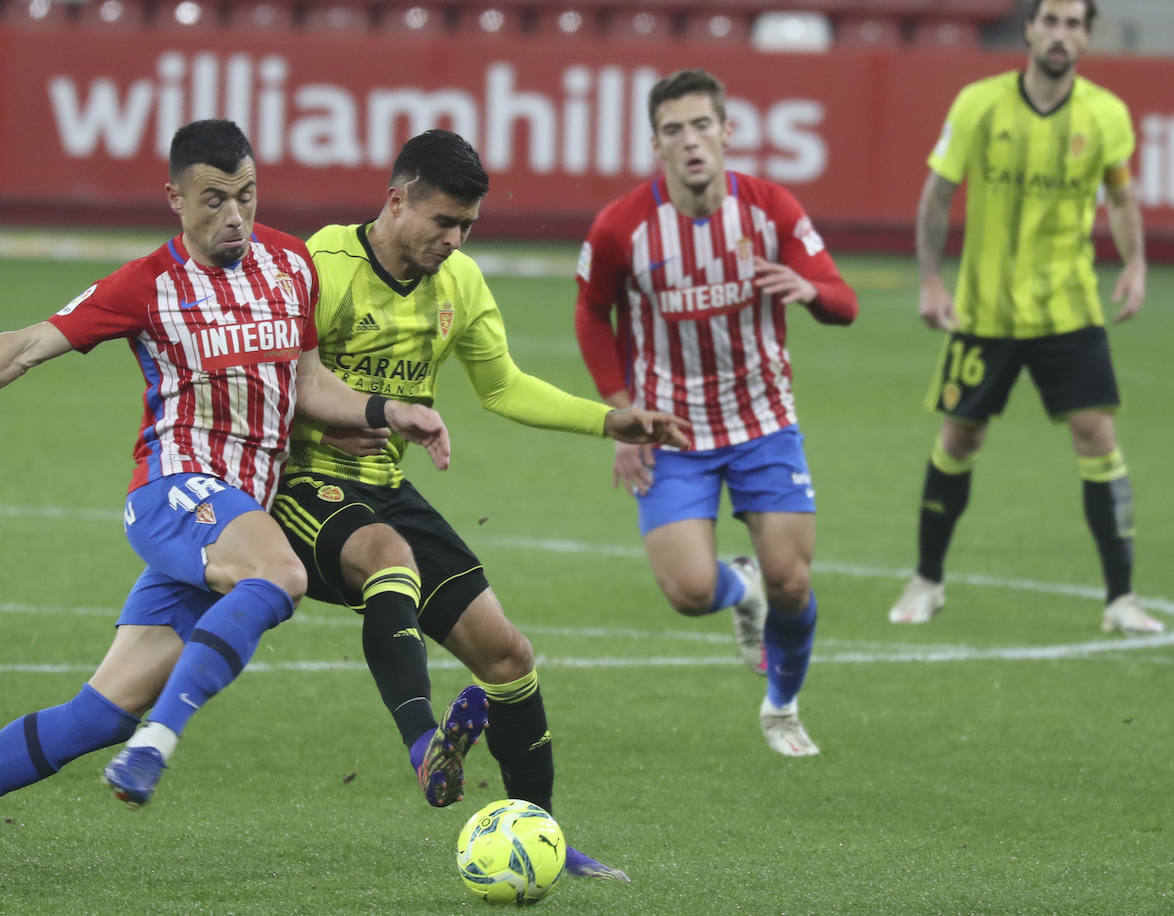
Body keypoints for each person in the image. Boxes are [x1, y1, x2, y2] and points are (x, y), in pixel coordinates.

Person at [0, 119, 451, 871]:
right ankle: (158, 742)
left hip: (230, 517)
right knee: (282, 574)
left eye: (247, 196)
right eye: (214, 200)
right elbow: (31, 342)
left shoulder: (292, 265)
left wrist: (392, 412)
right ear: (175, 199)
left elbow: (309, 385)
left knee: (94, 716)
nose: (234, 216)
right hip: (174, 492)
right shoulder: (148, 285)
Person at [264, 129, 690, 881]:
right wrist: (371, 411)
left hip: (385, 489)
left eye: (468, 227)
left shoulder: (458, 282)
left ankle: (542, 839)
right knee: (389, 559)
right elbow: (280, 386)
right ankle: (427, 747)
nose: (455, 241)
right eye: (443, 222)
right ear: (396, 202)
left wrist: (606, 419)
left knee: (508, 655)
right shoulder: (318, 266)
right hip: (298, 486)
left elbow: (503, 387)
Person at [573, 68, 859, 758]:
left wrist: (810, 290)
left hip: (763, 421)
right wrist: (622, 414)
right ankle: (742, 590)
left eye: (703, 126)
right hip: (672, 431)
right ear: (656, 145)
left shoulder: (770, 209)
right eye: (675, 130)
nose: (691, 141)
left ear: (727, 133)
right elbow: (591, 312)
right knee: (691, 591)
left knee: (794, 581)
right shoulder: (622, 227)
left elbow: (843, 303)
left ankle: (782, 707)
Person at [887, 0, 1162, 635]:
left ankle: (1120, 599)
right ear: (1030, 30)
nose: (1061, 34)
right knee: (960, 437)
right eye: (1052, 21)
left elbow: (1121, 195)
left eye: (1074, 25)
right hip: (984, 312)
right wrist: (931, 279)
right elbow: (937, 195)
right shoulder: (979, 103)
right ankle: (927, 579)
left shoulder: (1107, 114)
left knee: (1098, 438)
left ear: (1087, 39)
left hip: (1070, 310)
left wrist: (1136, 264)